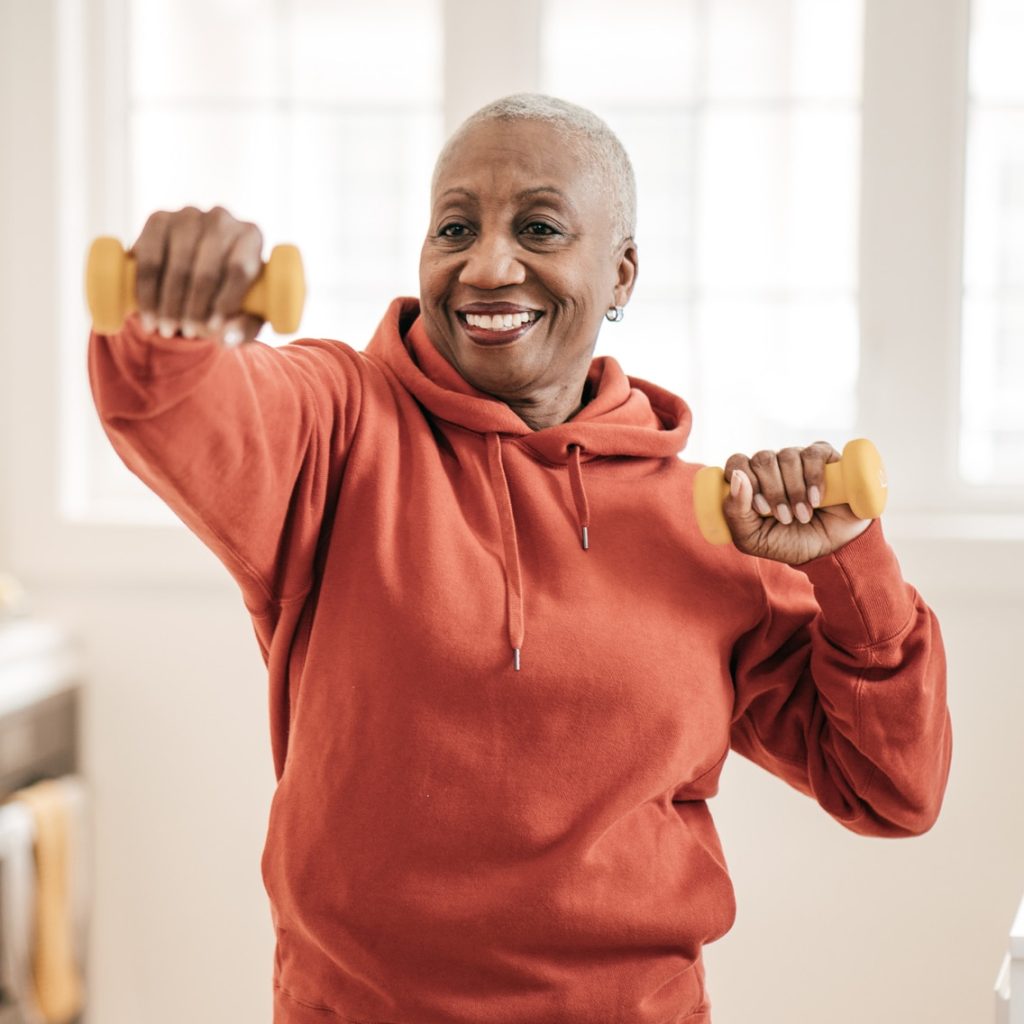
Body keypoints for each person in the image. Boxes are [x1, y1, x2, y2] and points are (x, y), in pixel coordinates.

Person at [87, 93, 952, 1024]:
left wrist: (851, 568)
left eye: (539, 228)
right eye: (455, 227)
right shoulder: (339, 428)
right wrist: (169, 324)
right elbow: (178, 409)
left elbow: (891, 788)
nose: (488, 266)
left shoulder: (709, 524)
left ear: (620, 276)